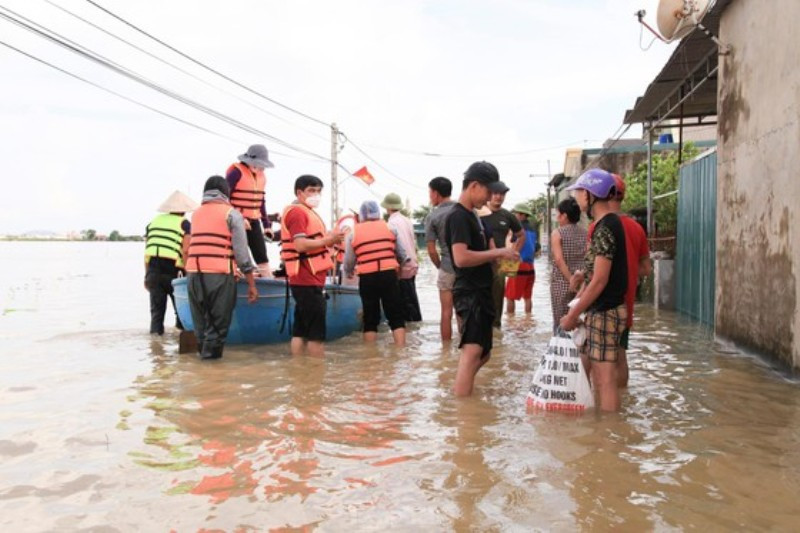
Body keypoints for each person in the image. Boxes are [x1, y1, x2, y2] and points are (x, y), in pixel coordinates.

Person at [446, 161, 519, 397]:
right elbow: (461, 258)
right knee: (473, 351)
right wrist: (499, 252)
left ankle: (459, 389)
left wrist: (503, 257)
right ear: (474, 185)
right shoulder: (458, 217)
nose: (490, 198)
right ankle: (463, 410)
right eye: (488, 191)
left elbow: (488, 251)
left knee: (484, 352)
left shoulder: (475, 217)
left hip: (482, 289)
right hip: (469, 291)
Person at [560, 169, 628, 412]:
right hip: (604, 310)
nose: (577, 197)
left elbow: (599, 280)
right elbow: (592, 279)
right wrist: (578, 306)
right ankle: (607, 433)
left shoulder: (606, 227)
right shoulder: (606, 224)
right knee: (602, 376)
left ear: (591, 195)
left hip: (606, 312)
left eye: (579, 191)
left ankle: (610, 439)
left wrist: (572, 314)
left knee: (604, 378)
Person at [186, 176, 258, 360]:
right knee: (217, 329)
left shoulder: (195, 214)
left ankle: (202, 372)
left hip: (193, 275)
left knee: (201, 329)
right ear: (226, 192)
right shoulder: (232, 214)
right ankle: (212, 376)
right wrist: (251, 284)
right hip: (219, 275)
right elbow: (242, 254)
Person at [279, 175, 344, 357]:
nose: (316, 195)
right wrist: (327, 240)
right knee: (316, 336)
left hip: (307, 280)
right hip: (307, 279)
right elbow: (300, 245)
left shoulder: (305, 212)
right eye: (311, 191)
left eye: (318, 191)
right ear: (300, 193)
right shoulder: (298, 213)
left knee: (300, 331)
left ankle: (300, 372)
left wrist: (329, 241)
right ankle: (317, 378)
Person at [607, 174, 652, 387]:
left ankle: (604, 410)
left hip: (604, 302)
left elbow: (595, 274)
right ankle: (621, 407)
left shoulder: (598, 227)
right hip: (627, 301)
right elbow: (646, 269)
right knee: (621, 354)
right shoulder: (636, 228)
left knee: (598, 359)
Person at [343, 200, 407, 346]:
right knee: (396, 315)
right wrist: (400, 267)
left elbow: (349, 262)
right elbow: (402, 255)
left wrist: (348, 272)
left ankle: (370, 357)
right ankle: (401, 351)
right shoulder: (390, 227)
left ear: (362, 215)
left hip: (367, 277)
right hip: (388, 275)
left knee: (370, 318)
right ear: (377, 212)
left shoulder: (353, 233)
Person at [144, 190, 197, 335]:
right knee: (181, 313)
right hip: (174, 273)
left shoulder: (153, 223)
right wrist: (189, 275)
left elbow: (147, 252)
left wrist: (146, 276)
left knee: (156, 314)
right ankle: (182, 350)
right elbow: (186, 251)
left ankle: (156, 350)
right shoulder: (184, 224)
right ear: (183, 210)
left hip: (153, 271)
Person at [225, 144, 276, 278]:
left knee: (261, 254)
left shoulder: (261, 176)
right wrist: (238, 218)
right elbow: (224, 198)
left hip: (254, 221)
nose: (260, 167)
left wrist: (266, 225)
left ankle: (268, 280)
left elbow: (261, 202)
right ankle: (235, 276)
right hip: (235, 220)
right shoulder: (235, 172)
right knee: (237, 252)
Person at [479, 180, 525, 328]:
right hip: (477, 262)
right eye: (495, 193)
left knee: (497, 300)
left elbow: (521, 235)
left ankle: (496, 331)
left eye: (502, 194)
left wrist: (514, 253)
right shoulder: (478, 212)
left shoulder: (507, 216)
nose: (498, 197)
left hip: (499, 265)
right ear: (489, 194)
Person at [425, 176, 457, 341]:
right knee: (463, 311)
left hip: (447, 267)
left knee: (446, 312)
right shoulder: (466, 210)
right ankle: (465, 349)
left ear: (436, 193)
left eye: (430, 192)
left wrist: (440, 265)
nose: (430, 196)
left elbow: (431, 250)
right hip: (467, 268)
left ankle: (445, 352)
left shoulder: (433, 216)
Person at [381, 192, 422, 322]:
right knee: (412, 300)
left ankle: (410, 335)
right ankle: (416, 332)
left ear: (387, 207)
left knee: (406, 305)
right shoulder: (407, 221)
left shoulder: (391, 224)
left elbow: (398, 248)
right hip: (413, 264)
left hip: (403, 267)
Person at [549, 198, 587, 333]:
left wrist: (570, 279)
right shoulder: (585, 233)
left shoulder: (557, 233)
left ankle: (559, 351)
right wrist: (577, 282)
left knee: (561, 323)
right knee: (579, 323)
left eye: (558, 213)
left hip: (561, 283)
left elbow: (559, 260)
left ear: (564, 215)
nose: (557, 217)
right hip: (582, 284)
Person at [505, 203, 538, 314]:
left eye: (516, 214)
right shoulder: (533, 230)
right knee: (527, 297)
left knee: (509, 296)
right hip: (531, 266)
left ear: (522, 215)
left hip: (517, 264)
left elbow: (513, 246)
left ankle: (510, 321)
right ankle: (528, 320)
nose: (514, 216)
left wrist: (507, 264)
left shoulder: (518, 229)